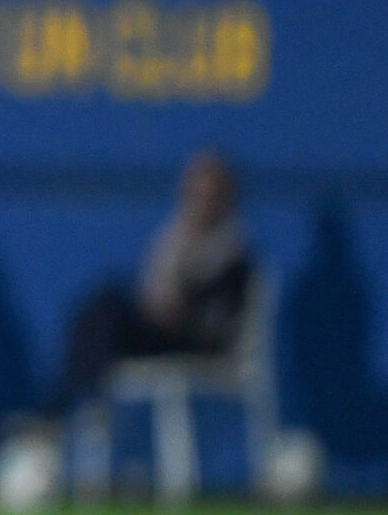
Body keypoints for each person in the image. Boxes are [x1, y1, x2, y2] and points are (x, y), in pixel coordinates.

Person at [46, 149, 254, 415]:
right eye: (194, 194)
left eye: (210, 197)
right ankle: (78, 403)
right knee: (100, 312)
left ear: (227, 200)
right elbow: (156, 291)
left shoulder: (233, 256)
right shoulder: (177, 238)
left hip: (193, 346)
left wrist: (171, 311)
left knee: (110, 308)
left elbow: (211, 321)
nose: (201, 204)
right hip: (160, 332)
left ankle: (71, 409)